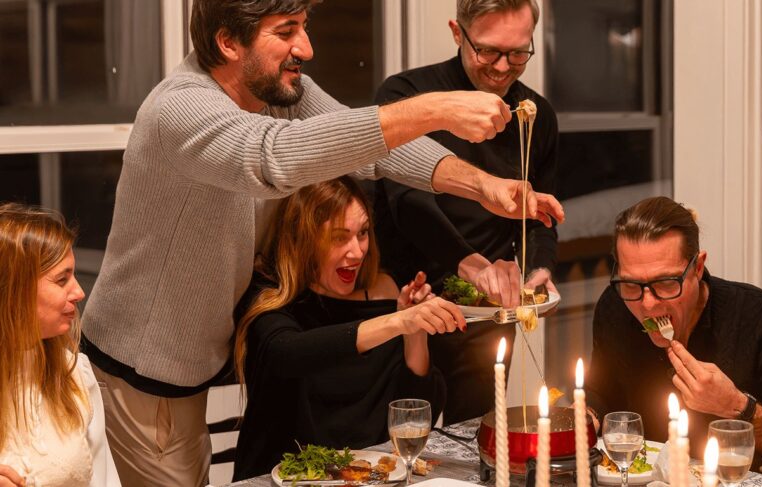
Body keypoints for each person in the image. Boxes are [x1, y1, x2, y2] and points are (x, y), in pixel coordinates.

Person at [79, 1, 564, 485]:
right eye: (287, 31)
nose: (306, 48)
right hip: (144, 368)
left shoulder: (276, 88)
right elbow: (275, 158)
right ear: (228, 42)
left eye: (305, 28)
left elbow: (378, 150)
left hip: (200, 359)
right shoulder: (181, 106)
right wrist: (434, 108)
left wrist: (483, 186)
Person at [372, 0, 558, 424]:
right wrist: (471, 266)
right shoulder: (407, 97)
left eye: (518, 53)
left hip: (485, 311)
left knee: (476, 433)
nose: (502, 66)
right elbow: (408, 202)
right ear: (458, 33)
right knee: (399, 434)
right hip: (407, 295)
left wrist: (537, 269)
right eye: (488, 50)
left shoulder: (536, 115)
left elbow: (539, 215)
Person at [230, 177, 457, 480]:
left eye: (362, 233)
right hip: (283, 478)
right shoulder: (271, 295)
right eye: (339, 237)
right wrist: (397, 322)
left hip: (369, 478)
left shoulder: (384, 291)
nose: (357, 251)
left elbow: (418, 412)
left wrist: (413, 333)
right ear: (305, 238)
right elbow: (287, 354)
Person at [585, 197, 762, 461]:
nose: (648, 304)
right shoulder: (615, 307)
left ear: (698, 267)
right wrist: (586, 415)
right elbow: (602, 393)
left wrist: (738, 407)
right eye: (631, 284)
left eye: (666, 283)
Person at [0, 203, 120, 487]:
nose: (79, 292)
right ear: (13, 290)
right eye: (62, 279)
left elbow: (105, 481)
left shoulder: (75, 376)